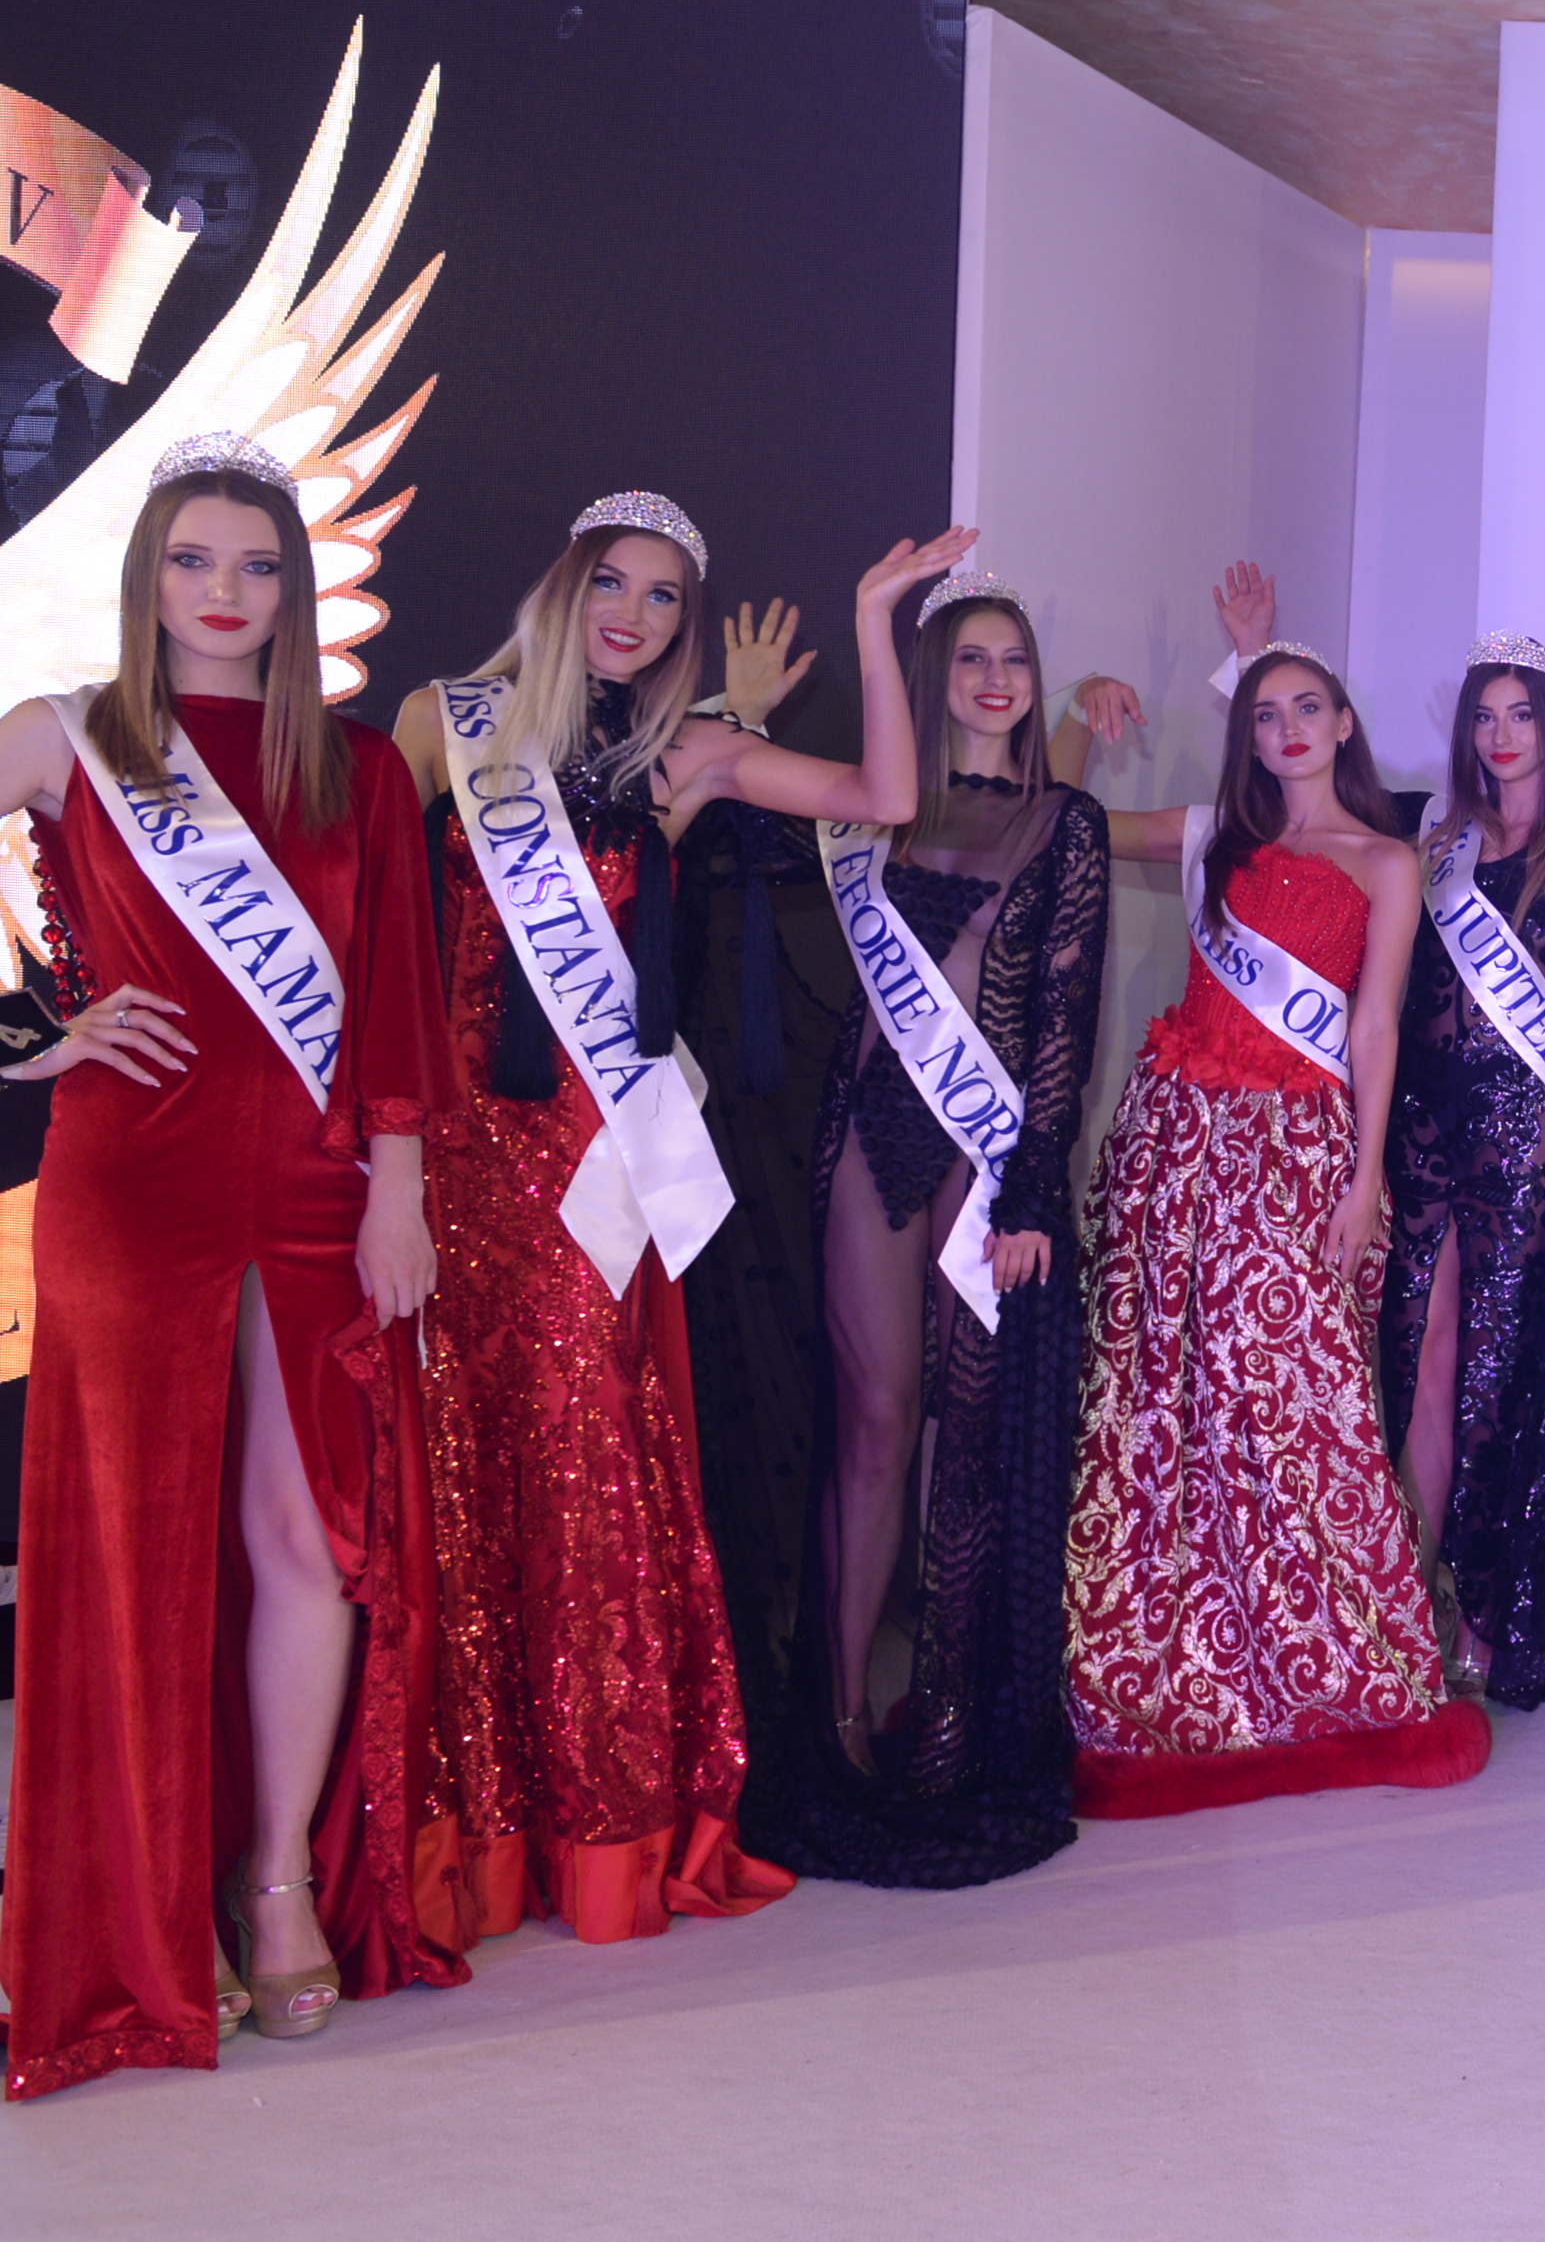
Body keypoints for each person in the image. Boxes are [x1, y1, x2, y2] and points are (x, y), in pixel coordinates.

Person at [395, 495, 964, 1947]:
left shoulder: (685, 754)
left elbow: (885, 796)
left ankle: (597, 1824)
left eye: (662, 597)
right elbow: (369, 928)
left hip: (592, 1166)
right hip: (454, 1151)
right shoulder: (441, 723)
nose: (633, 615)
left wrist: (872, 621)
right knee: (457, 1460)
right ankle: (478, 1826)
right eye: (613, 584)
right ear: (565, 586)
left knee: (582, 1454)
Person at [0, 437, 459, 2095]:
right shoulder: (68, 736)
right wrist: (33, 1035)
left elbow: (396, 992)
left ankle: (275, 1878)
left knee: (300, 1532)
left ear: (292, 587)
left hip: (322, 1188)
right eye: (193, 560)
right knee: (135, 1542)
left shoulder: (358, 768)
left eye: (257, 565)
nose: (223, 590)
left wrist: (399, 1191)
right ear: (148, 578)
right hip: (133, 1178)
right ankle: (136, 1905)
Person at [1066, 643, 1486, 1812]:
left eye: (1308, 707)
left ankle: (1322, 1654)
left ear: (1344, 722)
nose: (1288, 727)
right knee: (1163, 1393)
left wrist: (1365, 1176)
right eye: (1265, 713)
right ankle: (1174, 1657)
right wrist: (1075, 715)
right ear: (1246, 735)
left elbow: (1376, 1027)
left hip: (1298, 1147)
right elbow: (1067, 827)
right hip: (1171, 1138)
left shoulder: (1388, 859)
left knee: (1297, 1397)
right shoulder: (1217, 836)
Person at [745, 563, 1108, 1887]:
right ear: (935, 676)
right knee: (876, 1418)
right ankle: (839, 1717)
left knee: (969, 1430)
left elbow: (1064, 1011)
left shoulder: (1065, 822)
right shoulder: (873, 807)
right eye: (971, 658)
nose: (996, 681)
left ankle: (950, 1717)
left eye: (1015, 659)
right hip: (871, 1129)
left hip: (989, 1145)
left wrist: (1033, 1187)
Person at [1378, 629, 1545, 1710]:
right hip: (1419, 1129)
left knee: (1496, 1372)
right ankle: (1410, 1595)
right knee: (1418, 1355)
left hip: (1523, 1137)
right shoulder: (1432, 842)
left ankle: (1485, 1609)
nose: (1500, 735)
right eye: (1484, 717)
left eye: (1520, 714)